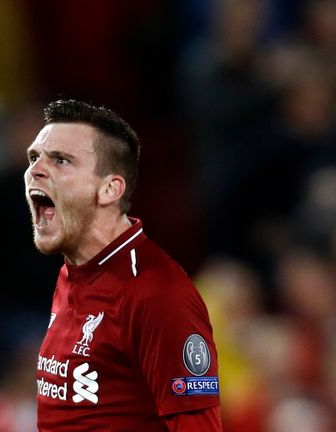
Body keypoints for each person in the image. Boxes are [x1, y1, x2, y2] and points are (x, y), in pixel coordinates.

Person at [25, 99, 222, 431]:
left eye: (61, 160)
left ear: (110, 189)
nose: (36, 170)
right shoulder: (71, 274)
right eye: (34, 157)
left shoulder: (156, 294)